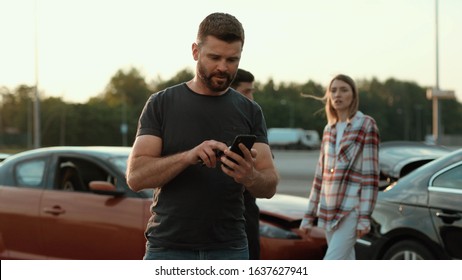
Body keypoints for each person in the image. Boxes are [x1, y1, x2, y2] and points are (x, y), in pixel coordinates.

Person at [126, 12, 279, 260]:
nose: (223, 67)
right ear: (195, 51)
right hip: (168, 247)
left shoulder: (250, 110)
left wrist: (249, 176)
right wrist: (188, 157)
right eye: (214, 57)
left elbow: (270, 184)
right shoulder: (161, 104)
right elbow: (135, 177)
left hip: (229, 248)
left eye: (232, 59)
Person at [299, 74, 380, 260]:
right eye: (333, 90)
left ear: (353, 95)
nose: (338, 94)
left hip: (350, 209)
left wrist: (364, 217)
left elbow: (370, 176)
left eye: (344, 90)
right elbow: (320, 177)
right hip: (328, 209)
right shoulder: (329, 130)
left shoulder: (366, 125)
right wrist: (309, 215)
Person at [230, 68, 259, 260]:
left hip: (246, 210)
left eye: (252, 91)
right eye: (246, 91)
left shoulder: (252, 119)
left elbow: (268, 179)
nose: (251, 97)